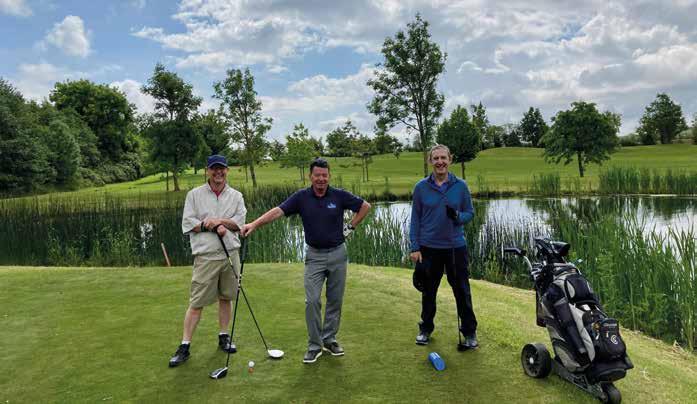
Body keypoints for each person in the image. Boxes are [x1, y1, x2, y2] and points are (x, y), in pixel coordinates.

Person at [242, 158, 371, 364]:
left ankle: (329, 340)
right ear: (310, 176)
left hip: (338, 254)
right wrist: (254, 224)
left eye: (324, 175)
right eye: (317, 175)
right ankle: (314, 345)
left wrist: (350, 227)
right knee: (312, 301)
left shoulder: (338, 195)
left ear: (329, 176)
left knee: (335, 300)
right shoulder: (301, 197)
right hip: (314, 256)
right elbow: (278, 211)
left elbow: (365, 206)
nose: (321, 179)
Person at [169, 154, 247, 367]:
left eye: (222, 168)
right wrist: (207, 225)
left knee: (226, 297)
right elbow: (188, 223)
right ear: (208, 170)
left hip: (230, 254)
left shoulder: (236, 196)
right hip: (206, 256)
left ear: (227, 170)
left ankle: (224, 336)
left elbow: (239, 224)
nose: (218, 172)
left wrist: (219, 221)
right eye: (214, 168)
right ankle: (184, 346)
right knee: (196, 302)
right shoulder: (194, 195)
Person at [409, 144, 478, 348]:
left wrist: (457, 216)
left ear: (450, 160)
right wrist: (415, 247)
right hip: (429, 248)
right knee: (428, 292)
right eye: (436, 158)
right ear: (430, 161)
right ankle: (425, 328)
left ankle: (469, 332)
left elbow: (470, 213)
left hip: (456, 247)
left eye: (443, 158)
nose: (440, 162)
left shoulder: (460, 186)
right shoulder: (421, 187)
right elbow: (415, 219)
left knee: (462, 291)